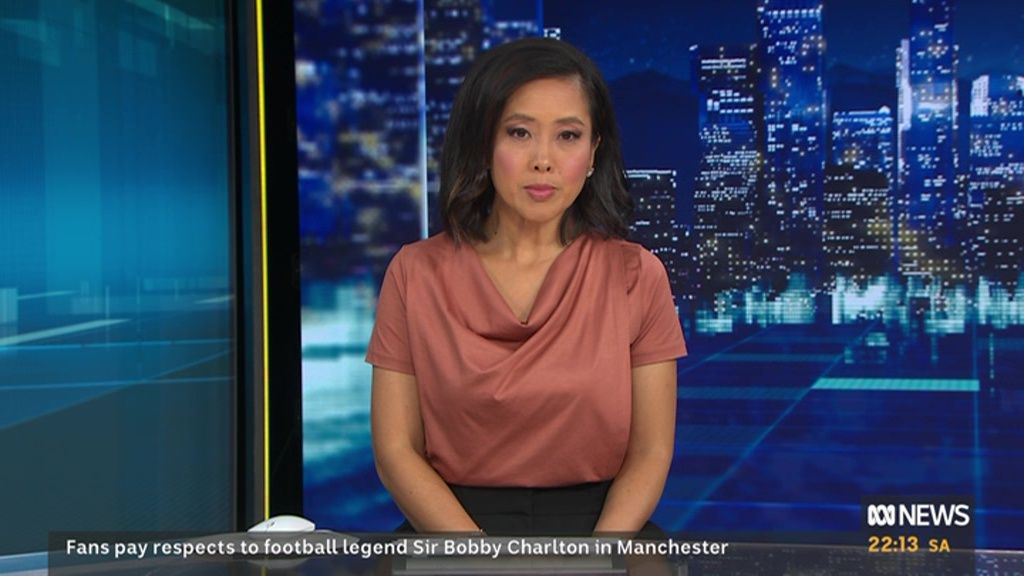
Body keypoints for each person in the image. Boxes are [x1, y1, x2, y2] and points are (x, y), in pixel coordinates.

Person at [366, 37, 686, 536]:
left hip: (604, 534)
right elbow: (395, 450)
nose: (543, 160)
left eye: (568, 136)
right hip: (450, 536)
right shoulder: (415, 273)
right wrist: (481, 561)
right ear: (482, 143)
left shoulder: (637, 275)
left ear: (594, 152)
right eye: (519, 133)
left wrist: (596, 560)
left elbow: (651, 451)